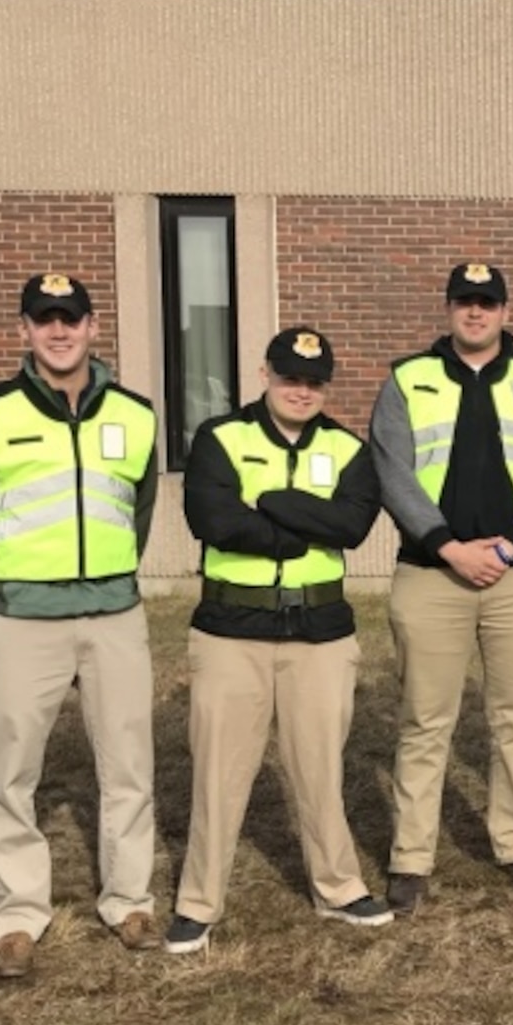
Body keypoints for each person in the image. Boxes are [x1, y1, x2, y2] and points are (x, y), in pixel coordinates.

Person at [0, 272, 161, 978]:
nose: (59, 331)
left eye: (71, 318)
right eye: (45, 319)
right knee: (12, 770)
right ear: (24, 332)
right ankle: (18, 917)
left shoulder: (137, 414)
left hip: (114, 615)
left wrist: (111, 577)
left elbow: (138, 510)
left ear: (95, 327)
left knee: (129, 762)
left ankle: (128, 900)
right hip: (23, 619)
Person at [163, 328, 391, 954]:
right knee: (218, 772)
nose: (301, 390)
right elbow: (213, 520)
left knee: (320, 768)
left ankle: (338, 888)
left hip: (319, 635)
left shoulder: (348, 450)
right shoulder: (221, 438)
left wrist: (269, 498)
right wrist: (299, 529)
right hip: (232, 632)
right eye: (290, 377)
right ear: (264, 374)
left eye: (314, 381)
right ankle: (198, 903)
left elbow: (351, 524)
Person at [370, 263, 513, 916]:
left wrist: (510, 542)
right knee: (425, 720)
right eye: (464, 301)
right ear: (448, 308)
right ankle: (411, 858)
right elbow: (392, 469)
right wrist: (448, 546)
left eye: (486, 303)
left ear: (503, 311)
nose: (475, 312)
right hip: (431, 574)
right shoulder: (408, 380)